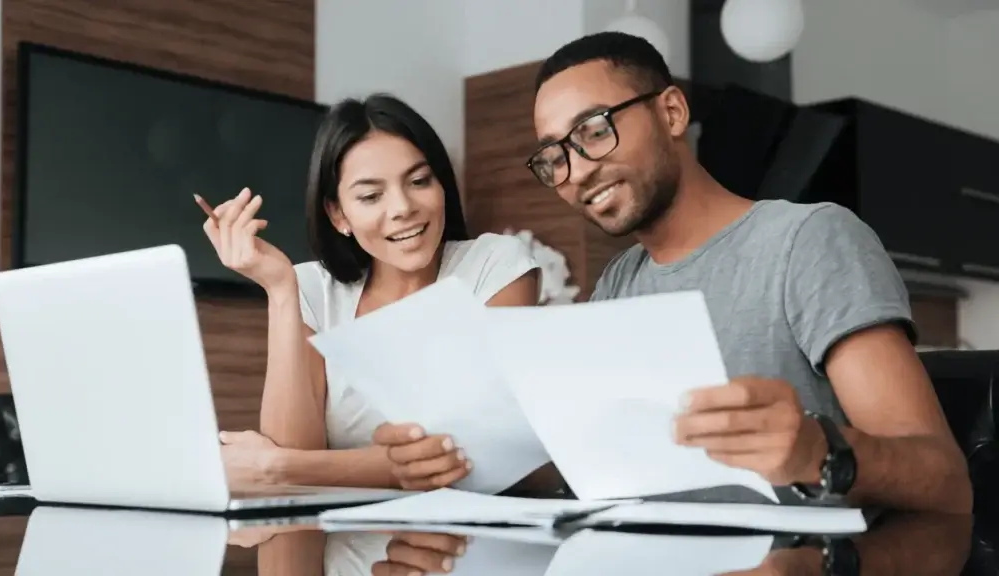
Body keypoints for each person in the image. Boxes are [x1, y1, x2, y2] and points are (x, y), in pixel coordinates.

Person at [377, 32, 973, 513]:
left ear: (671, 111)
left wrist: (818, 449)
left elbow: (942, 478)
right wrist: (459, 457)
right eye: (554, 157)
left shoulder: (809, 240)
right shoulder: (618, 281)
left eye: (593, 131)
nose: (576, 171)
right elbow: (597, 470)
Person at [201, 93, 541, 491]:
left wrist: (280, 467)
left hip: (463, 544)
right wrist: (279, 291)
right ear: (338, 214)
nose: (402, 207)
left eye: (419, 181)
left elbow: (475, 453)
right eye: (370, 196)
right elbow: (293, 453)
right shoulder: (311, 289)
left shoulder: (495, 266)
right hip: (339, 547)